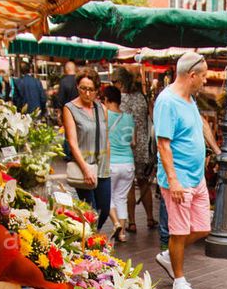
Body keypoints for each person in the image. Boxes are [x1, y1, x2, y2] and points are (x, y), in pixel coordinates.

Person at [154, 52, 220, 289]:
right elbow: (163, 144)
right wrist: (173, 180)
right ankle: (179, 279)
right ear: (191, 75)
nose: (205, 80)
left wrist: (216, 150)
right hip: (179, 178)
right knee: (179, 232)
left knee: (203, 227)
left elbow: (200, 124)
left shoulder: (189, 99)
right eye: (203, 76)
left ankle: (169, 254)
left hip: (196, 176)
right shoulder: (167, 101)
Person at [62, 69, 111, 231]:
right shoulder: (70, 109)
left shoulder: (101, 108)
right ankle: (90, 246)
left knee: (103, 211)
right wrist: (85, 169)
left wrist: (110, 163)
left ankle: (91, 240)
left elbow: (106, 137)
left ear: (97, 90)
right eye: (83, 88)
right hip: (85, 167)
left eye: (91, 89)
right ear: (77, 87)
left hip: (103, 167)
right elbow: (72, 142)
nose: (87, 93)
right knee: (90, 212)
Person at [118, 69, 157, 233]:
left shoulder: (123, 99)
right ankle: (150, 218)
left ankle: (132, 222)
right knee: (143, 182)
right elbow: (152, 117)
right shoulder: (143, 97)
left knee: (128, 185)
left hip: (128, 145)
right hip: (144, 146)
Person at [101, 85, 135, 241]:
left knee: (107, 197)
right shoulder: (128, 117)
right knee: (121, 198)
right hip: (128, 163)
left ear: (106, 100)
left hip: (111, 163)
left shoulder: (105, 115)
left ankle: (116, 223)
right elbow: (133, 142)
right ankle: (122, 234)